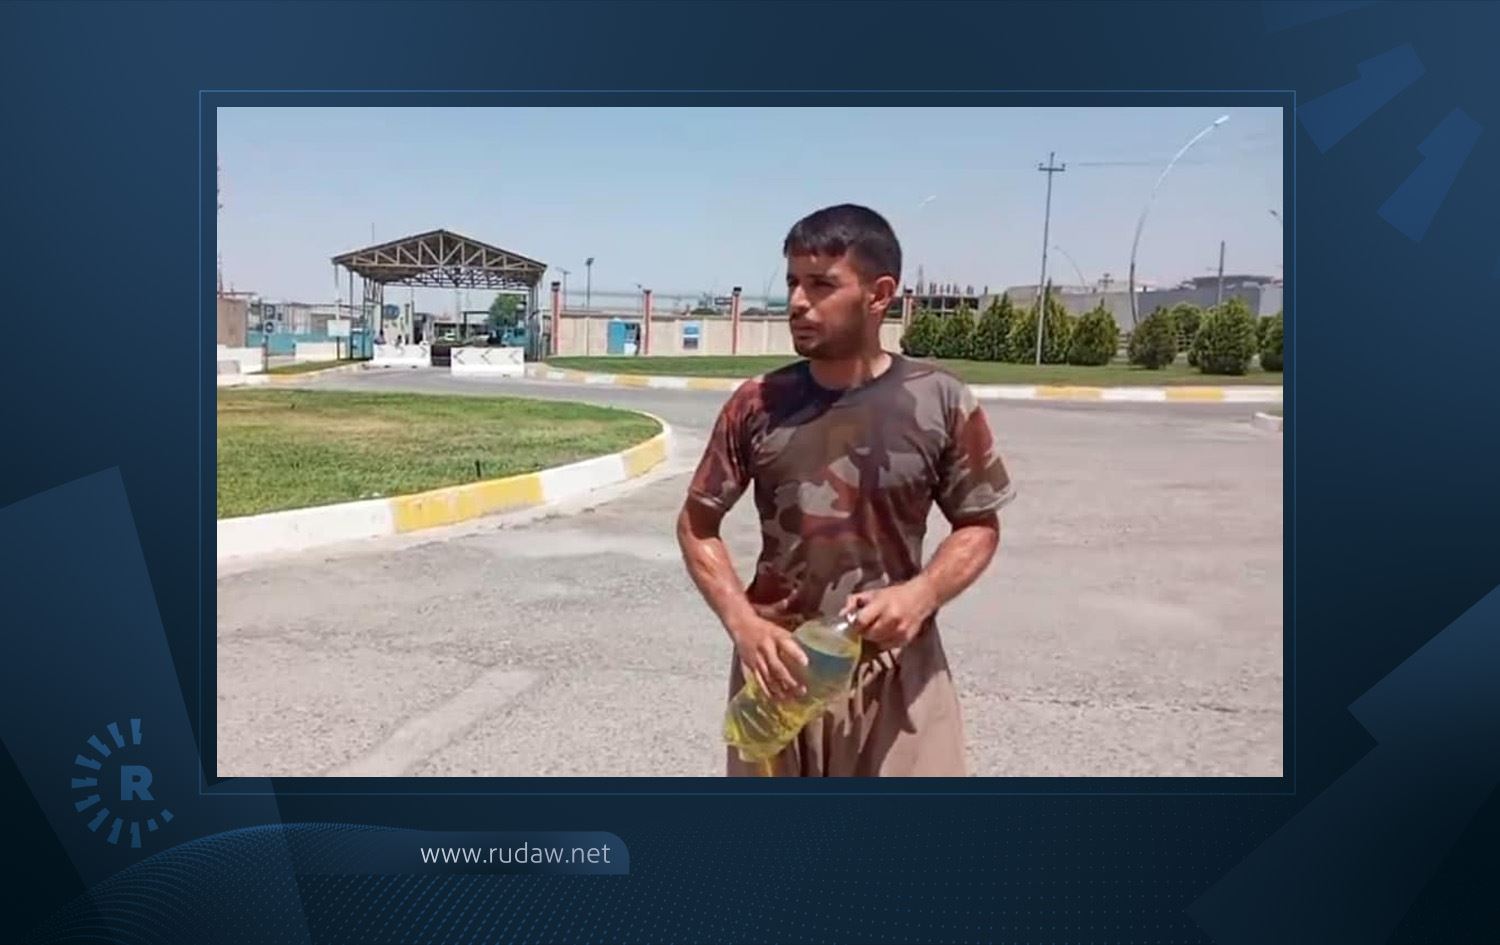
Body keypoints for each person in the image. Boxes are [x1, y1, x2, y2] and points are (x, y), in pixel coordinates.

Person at [676, 204, 1015, 776]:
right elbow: (696, 525)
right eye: (792, 282)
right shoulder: (757, 404)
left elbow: (978, 523)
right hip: (779, 674)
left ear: (879, 294)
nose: (797, 302)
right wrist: (743, 623)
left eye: (821, 284)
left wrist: (922, 593)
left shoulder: (940, 399)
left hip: (897, 672)